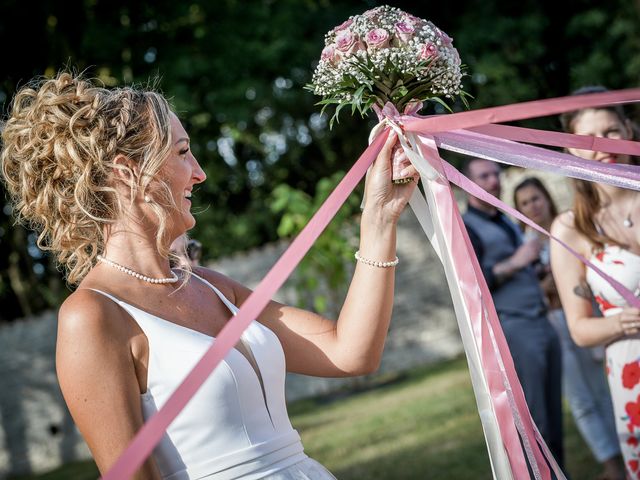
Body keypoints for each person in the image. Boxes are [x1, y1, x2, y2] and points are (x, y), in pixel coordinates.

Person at [0, 71, 419, 479]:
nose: (199, 173)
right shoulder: (92, 316)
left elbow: (350, 352)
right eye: (182, 152)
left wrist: (380, 218)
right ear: (127, 172)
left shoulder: (211, 286)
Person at [550, 86, 640, 479]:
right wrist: (625, 321)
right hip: (632, 370)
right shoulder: (571, 229)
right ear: (571, 150)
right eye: (587, 137)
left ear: (629, 129)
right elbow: (580, 329)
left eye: (611, 131)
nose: (602, 144)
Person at [514, 177, 623, 480]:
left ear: (546, 198)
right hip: (553, 323)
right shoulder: (524, 245)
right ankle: (610, 462)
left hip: (589, 315)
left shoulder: (571, 231)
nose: (532, 206)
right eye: (524, 203)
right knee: (579, 398)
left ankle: (628, 453)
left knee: (606, 389)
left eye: (536, 198)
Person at [461, 158, 564, 468]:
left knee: (554, 412)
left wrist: (537, 267)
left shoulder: (506, 219)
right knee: (536, 419)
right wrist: (517, 261)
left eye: (496, 173)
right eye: (484, 175)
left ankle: (559, 472)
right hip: (515, 327)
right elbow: (471, 283)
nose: (494, 180)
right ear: (465, 182)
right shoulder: (466, 227)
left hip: (542, 320)